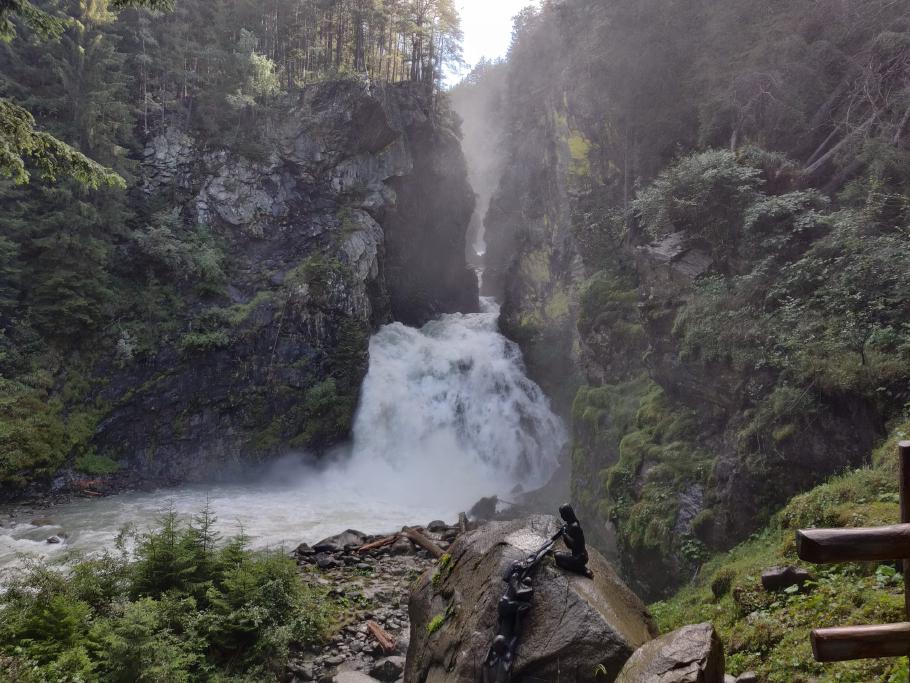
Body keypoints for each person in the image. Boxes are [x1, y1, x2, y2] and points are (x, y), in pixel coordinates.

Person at [555, 503, 594, 578]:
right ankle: (578, 566)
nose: (561, 516)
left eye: (563, 514)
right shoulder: (569, 525)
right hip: (576, 555)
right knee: (557, 553)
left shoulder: (575, 527)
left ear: (567, 514)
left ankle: (582, 569)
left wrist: (565, 534)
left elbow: (572, 545)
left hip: (580, 557)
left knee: (557, 556)